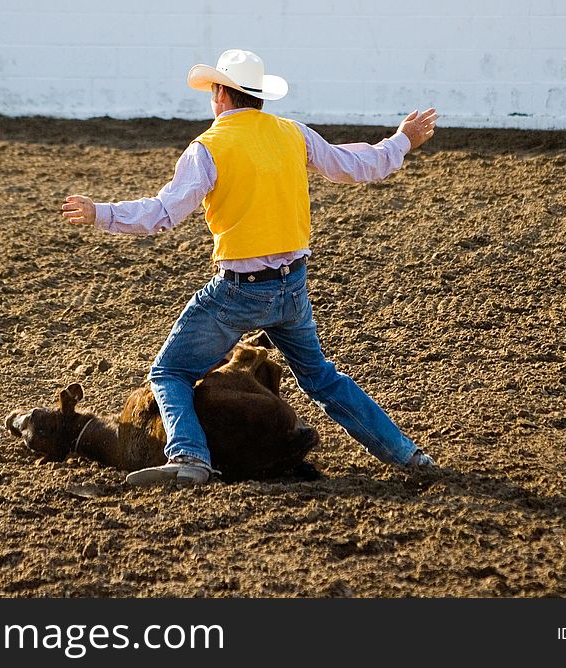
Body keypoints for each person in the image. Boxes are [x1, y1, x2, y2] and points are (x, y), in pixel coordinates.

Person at [61, 49, 438, 486]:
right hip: (292, 287)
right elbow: (354, 166)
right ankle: (408, 456)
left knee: (170, 372)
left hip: (237, 292)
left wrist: (100, 213)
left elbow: (162, 213)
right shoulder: (291, 133)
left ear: (221, 93)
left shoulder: (209, 148)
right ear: (256, 96)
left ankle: (190, 456)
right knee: (323, 381)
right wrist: (402, 140)